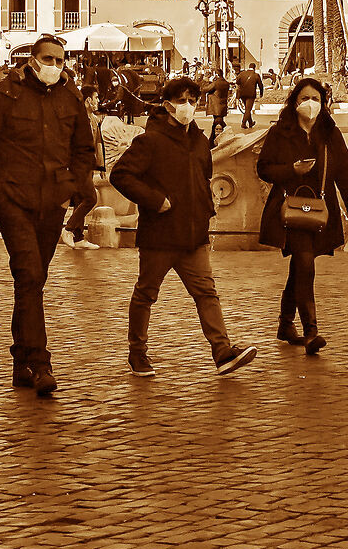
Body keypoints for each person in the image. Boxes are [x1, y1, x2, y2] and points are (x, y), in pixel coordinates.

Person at [0, 34, 97, 397]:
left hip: (52, 202)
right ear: (33, 60)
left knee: (32, 281)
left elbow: (84, 148)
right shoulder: (5, 94)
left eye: (60, 59)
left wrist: (72, 187)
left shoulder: (70, 97)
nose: (55, 65)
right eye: (49, 59)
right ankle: (40, 364)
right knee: (29, 274)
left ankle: (20, 363)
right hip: (15, 201)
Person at [109, 75, 258, 381]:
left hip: (194, 235)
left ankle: (222, 351)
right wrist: (155, 200)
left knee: (207, 293)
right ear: (167, 105)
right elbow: (120, 175)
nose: (187, 106)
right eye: (181, 101)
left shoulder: (200, 141)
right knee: (146, 293)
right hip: (160, 235)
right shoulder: (150, 140)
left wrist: (206, 208)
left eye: (192, 100)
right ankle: (137, 352)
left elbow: (204, 177)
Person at [257, 76, 348, 357]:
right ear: (294, 102)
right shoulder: (280, 132)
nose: (310, 104)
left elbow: (345, 176)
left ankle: (285, 324)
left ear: (323, 103)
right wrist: (291, 170)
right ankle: (311, 331)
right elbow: (263, 168)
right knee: (304, 262)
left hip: (320, 212)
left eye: (315, 99)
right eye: (304, 98)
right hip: (289, 211)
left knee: (301, 267)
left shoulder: (330, 134)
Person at [236, 63, 263, 130]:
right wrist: (261, 93)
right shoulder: (256, 75)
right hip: (251, 95)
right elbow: (260, 85)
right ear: (254, 68)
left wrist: (237, 96)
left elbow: (237, 83)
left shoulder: (242, 74)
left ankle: (251, 123)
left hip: (242, 94)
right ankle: (243, 123)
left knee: (247, 109)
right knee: (248, 109)